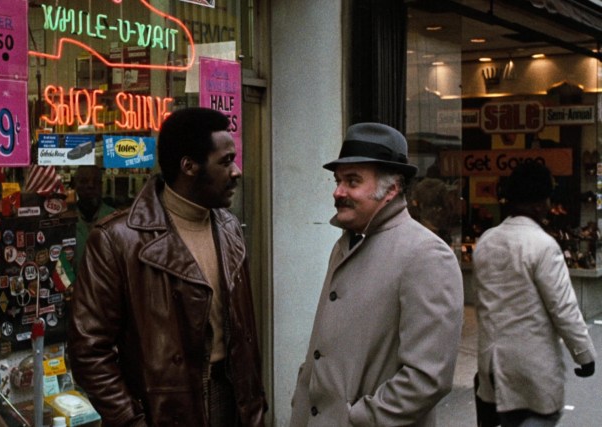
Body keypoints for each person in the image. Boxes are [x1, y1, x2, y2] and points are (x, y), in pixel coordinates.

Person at [68, 107, 267, 427]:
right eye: (226, 161)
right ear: (189, 166)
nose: (237, 172)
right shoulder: (117, 239)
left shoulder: (228, 226)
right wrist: (131, 421)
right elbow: (88, 352)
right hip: (163, 411)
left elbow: (243, 338)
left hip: (232, 403)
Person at [290, 122, 464, 426]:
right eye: (338, 180)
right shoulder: (346, 244)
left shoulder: (426, 254)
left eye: (353, 181)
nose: (338, 192)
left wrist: (359, 419)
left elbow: (427, 378)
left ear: (391, 189)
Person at [472, 162, 596, 427]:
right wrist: (584, 355)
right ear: (540, 204)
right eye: (548, 200)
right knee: (539, 418)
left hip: (491, 366)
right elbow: (563, 308)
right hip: (530, 370)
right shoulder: (543, 245)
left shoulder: (486, 241)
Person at [71, 165, 115, 274]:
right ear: (75, 185)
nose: (91, 185)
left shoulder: (115, 218)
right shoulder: (65, 220)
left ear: (101, 185)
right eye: (84, 181)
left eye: (96, 181)